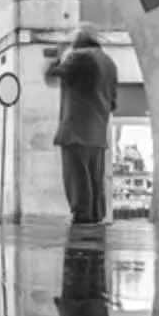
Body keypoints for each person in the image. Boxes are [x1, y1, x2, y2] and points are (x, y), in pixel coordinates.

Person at [46, 26, 120, 226]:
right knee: (96, 177)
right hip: (98, 132)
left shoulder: (77, 57)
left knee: (77, 176)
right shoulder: (110, 64)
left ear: (78, 43)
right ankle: (96, 214)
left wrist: (57, 57)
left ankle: (82, 217)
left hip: (75, 129)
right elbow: (113, 103)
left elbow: (53, 75)